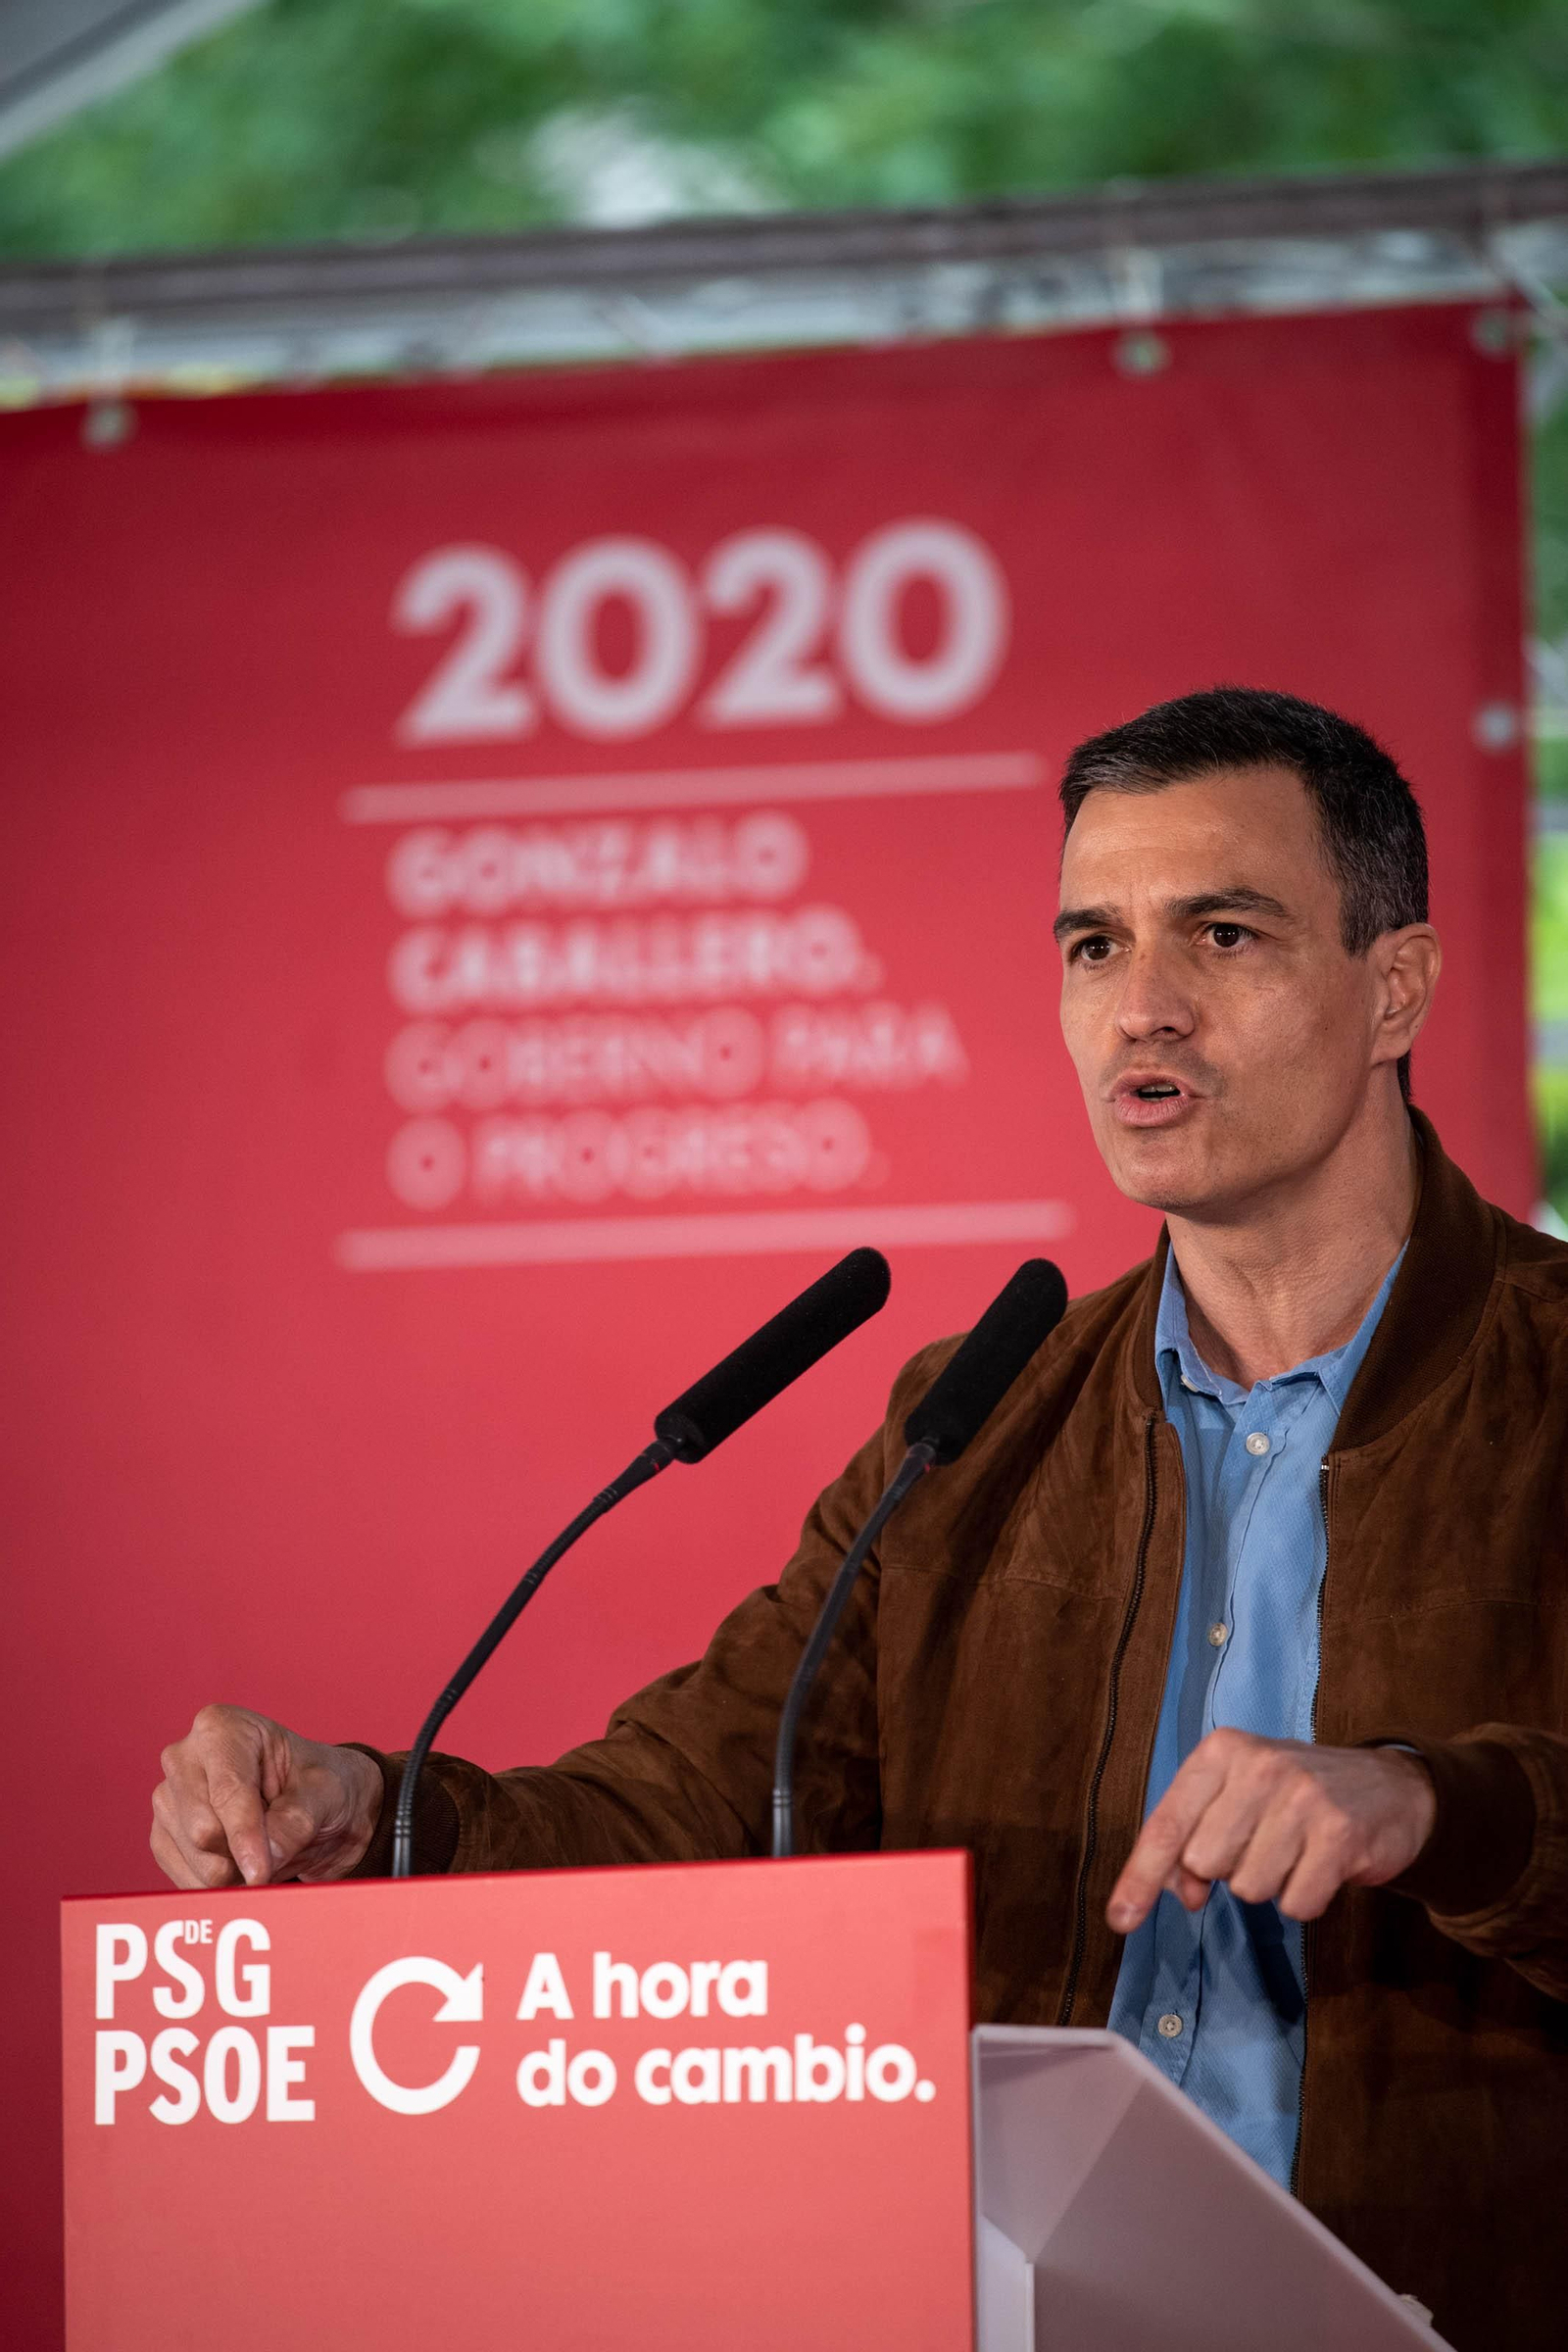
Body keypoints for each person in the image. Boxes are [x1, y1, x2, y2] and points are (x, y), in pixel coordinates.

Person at [152, 685, 1568, 2350]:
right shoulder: (972, 1423)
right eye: (1094, 946)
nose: (1145, 1009)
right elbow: (695, 1805)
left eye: (1227, 935)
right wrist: (375, 1809)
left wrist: (1430, 1805)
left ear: (1392, 988)